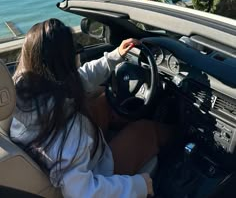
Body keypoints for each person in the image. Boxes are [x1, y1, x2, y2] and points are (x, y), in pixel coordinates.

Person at [10, 18, 172, 197]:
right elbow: (82, 192)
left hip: (67, 156)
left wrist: (114, 56)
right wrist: (140, 185)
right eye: (76, 49)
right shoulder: (69, 132)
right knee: (147, 130)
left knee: (103, 100)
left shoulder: (22, 92)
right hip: (98, 174)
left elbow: (81, 77)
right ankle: (182, 141)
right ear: (67, 62)